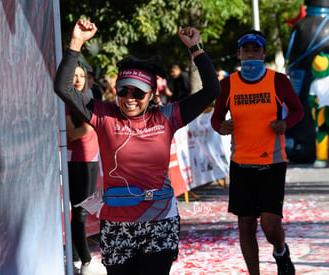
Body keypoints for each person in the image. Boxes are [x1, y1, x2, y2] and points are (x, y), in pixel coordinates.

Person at [54, 19, 220, 275]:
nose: (129, 99)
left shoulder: (166, 116)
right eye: (124, 91)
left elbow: (212, 89)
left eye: (138, 93)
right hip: (117, 225)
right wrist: (76, 42)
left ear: (152, 94)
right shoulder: (103, 115)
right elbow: (63, 87)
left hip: (159, 221)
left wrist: (196, 48)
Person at [211, 30, 303, 275]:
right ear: (239, 53)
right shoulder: (228, 84)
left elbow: (297, 111)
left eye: (255, 49)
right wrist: (221, 126)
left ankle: (281, 250)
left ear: (264, 53)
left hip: (272, 163)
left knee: (270, 226)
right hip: (241, 164)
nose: (250, 54)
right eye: (246, 50)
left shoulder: (278, 81)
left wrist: (285, 124)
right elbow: (216, 118)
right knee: (246, 225)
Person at [66, 62, 106, 275]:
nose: (79, 79)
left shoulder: (86, 99)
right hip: (77, 162)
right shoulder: (65, 101)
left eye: (82, 75)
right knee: (80, 212)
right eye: (75, 75)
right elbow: (71, 134)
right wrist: (91, 125)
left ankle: (74, 259)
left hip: (92, 159)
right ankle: (86, 261)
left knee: (87, 209)